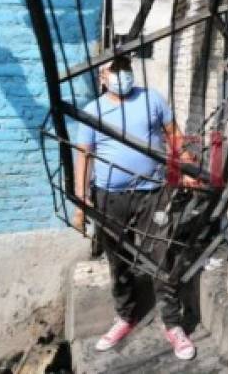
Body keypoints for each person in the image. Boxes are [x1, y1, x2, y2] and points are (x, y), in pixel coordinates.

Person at [73, 55, 198, 360]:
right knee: (118, 260)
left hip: (152, 192)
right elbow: (84, 156)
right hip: (109, 198)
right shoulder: (93, 111)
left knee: (160, 255)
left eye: (124, 69)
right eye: (113, 71)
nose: (121, 76)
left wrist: (187, 167)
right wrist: (80, 202)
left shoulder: (152, 99)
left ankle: (172, 324)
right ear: (102, 77)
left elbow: (174, 137)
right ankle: (125, 316)